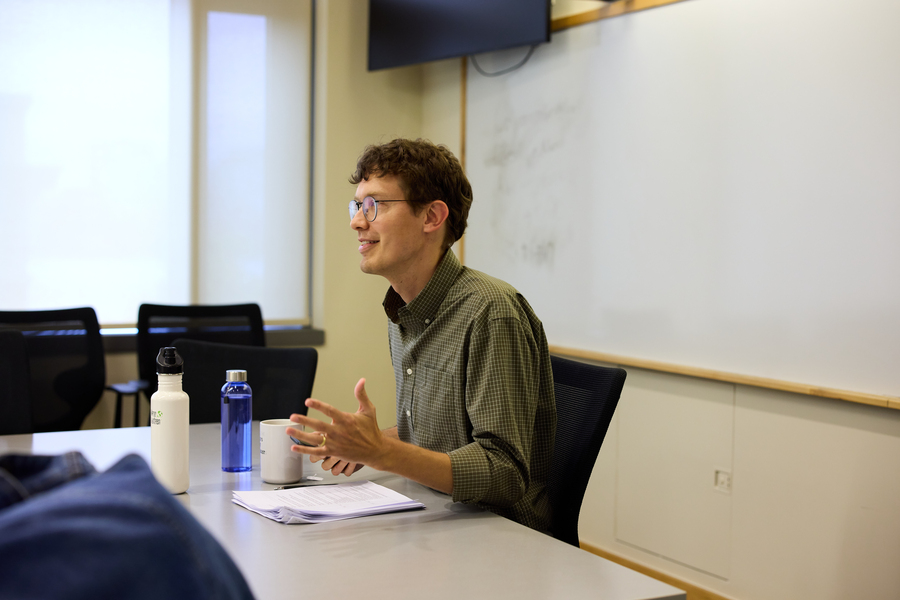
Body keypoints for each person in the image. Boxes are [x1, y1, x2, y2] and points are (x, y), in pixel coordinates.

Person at [287, 138, 556, 533]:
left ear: (432, 217)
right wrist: (367, 443)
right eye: (357, 205)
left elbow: (504, 473)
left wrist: (385, 453)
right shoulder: (404, 309)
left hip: (498, 537)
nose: (357, 221)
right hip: (432, 516)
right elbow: (436, 433)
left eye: (374, 205)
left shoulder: (491, 312)